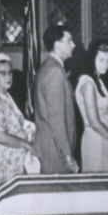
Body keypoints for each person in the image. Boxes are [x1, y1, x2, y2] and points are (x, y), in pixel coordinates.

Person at [0, 54, 37, 215]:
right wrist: (26, 144)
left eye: (10, 72)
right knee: (2, 207)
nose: (8, 76)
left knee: (13, 207)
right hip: (1, 159)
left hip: (12, 158)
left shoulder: (4, 95)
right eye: (2, 73)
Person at [33, 24, 79, 173]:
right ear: (57, 44)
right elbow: (56, 118)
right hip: (55, 151)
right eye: (69, 40)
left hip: (53, 146)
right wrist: (67, 155)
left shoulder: (50, 66)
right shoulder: (54, 72)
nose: (73, 45)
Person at [75, 39, 108, 172]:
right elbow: (94, 122)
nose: (105, 65)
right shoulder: (88, 84)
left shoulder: (99, 81)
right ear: (92, 59)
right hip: (94, 141)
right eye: (101, 60)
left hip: (106, 138)